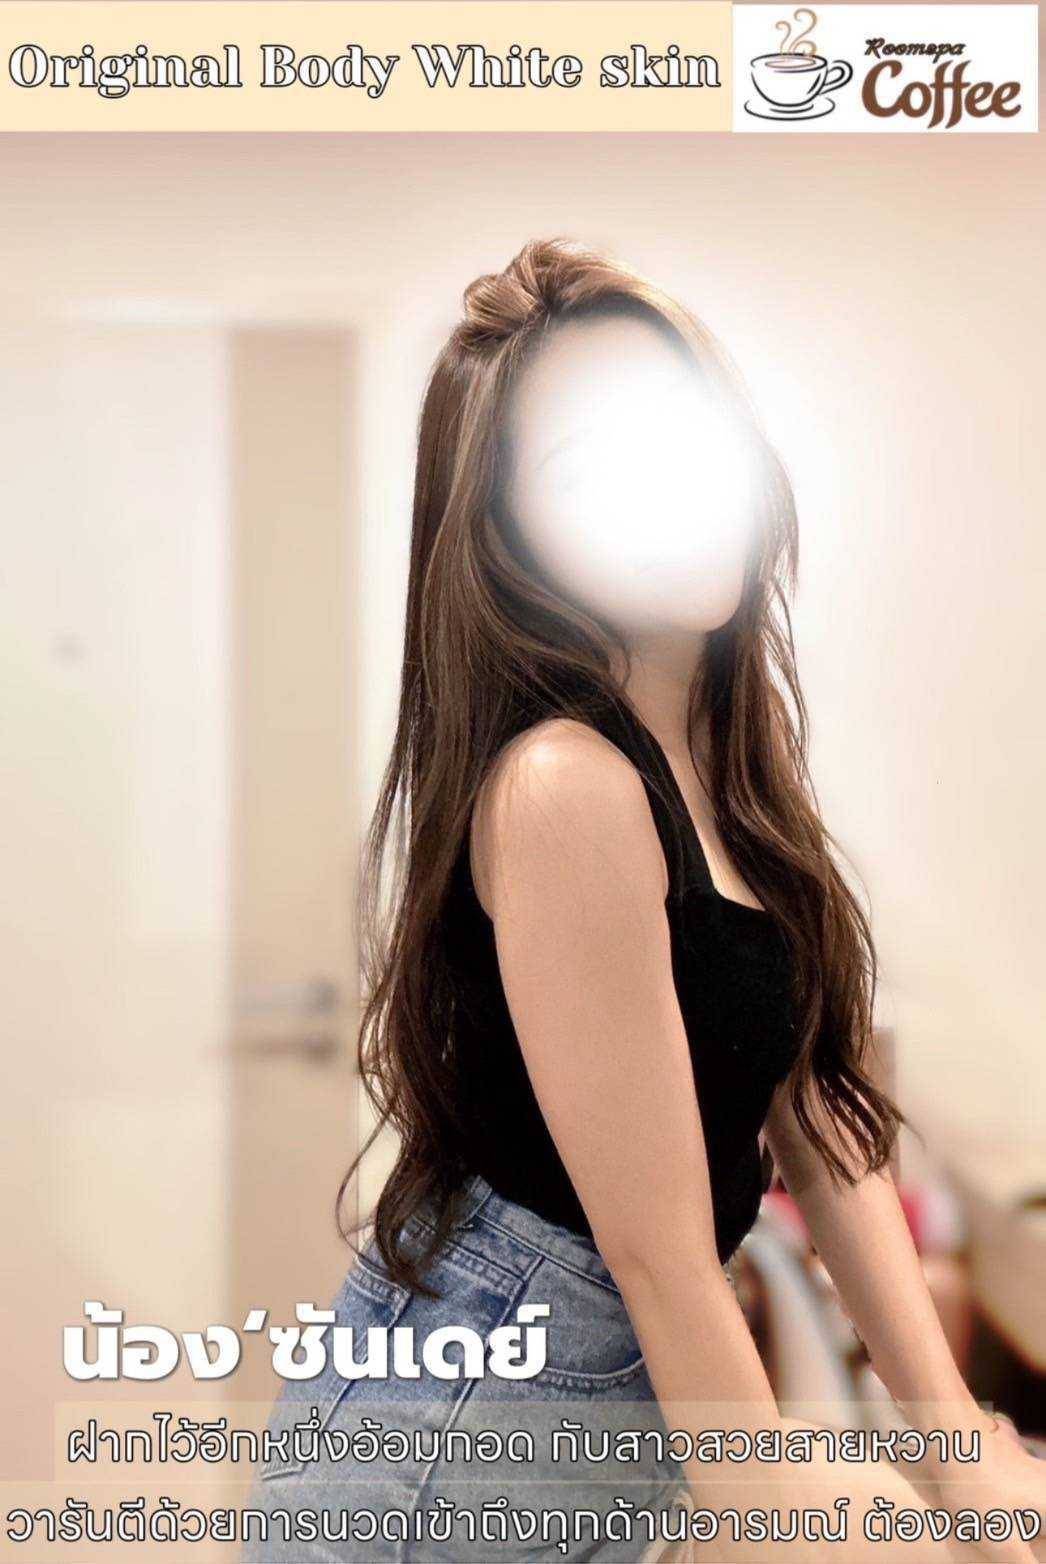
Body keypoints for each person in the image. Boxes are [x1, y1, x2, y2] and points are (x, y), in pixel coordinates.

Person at [246, 239, 1046, 1562]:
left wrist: (954, 1442)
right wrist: (793, 1515)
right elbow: (663, 1255)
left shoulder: (731, 769)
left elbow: (819, 1115)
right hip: (466, 1426)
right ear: (514, 541)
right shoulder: (565, 784)